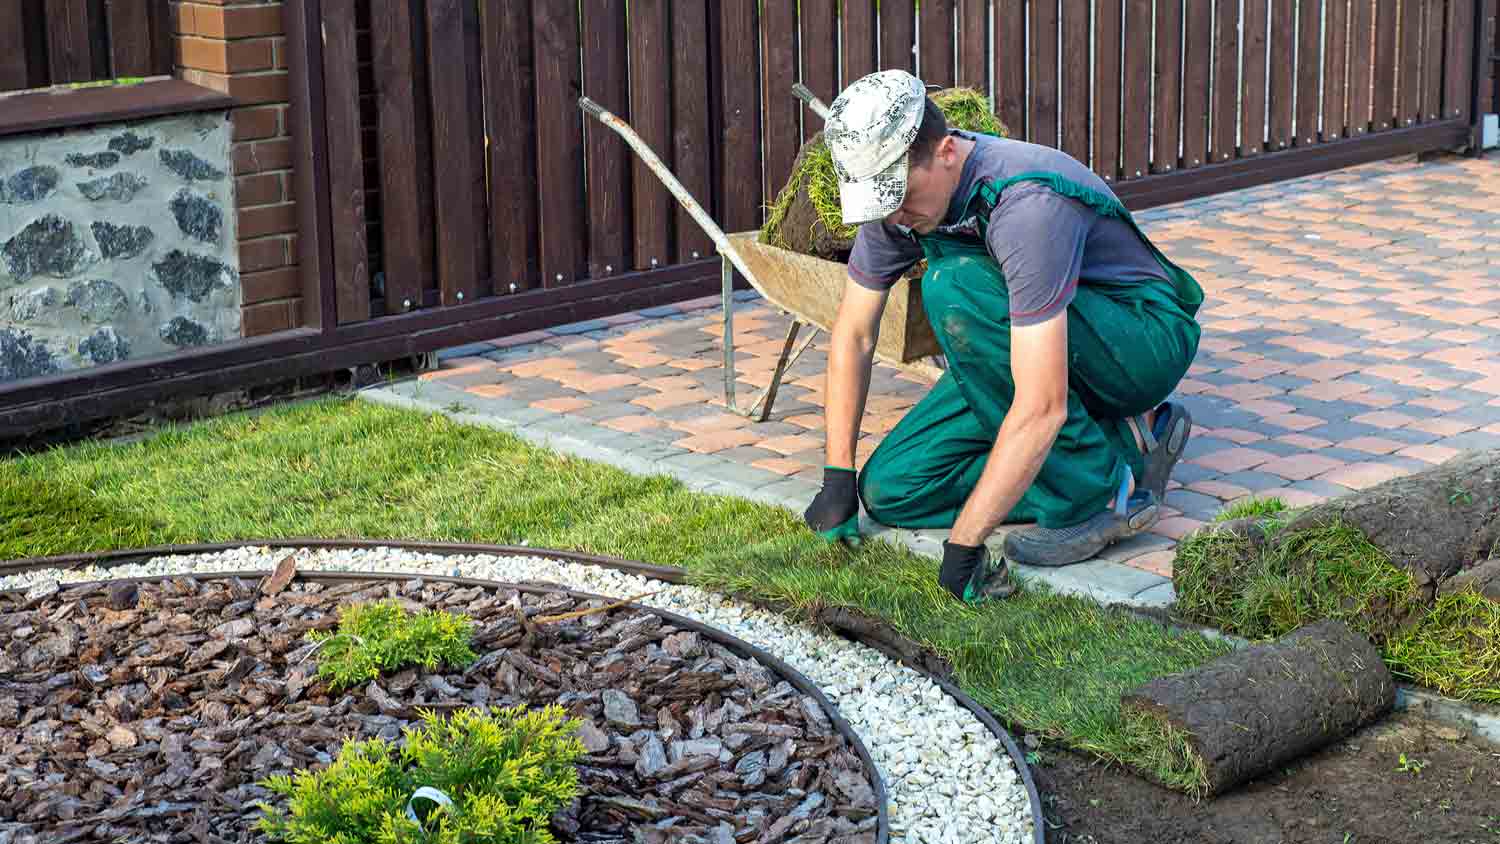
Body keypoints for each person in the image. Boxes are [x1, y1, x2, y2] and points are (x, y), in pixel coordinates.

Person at [800, 70, 1204, 604]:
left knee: (954, 287)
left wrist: (964, 545)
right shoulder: (900, 208)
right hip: (1037, 340)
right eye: (881, 200)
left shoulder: (1025, 205)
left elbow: (1041, 405)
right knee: (893, 489)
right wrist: (837, 479)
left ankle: (1100, 494)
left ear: (946, 151)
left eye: (899, 195)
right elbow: (853, 334)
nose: (893, 214)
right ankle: (1124, 447)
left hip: (1139, 340)